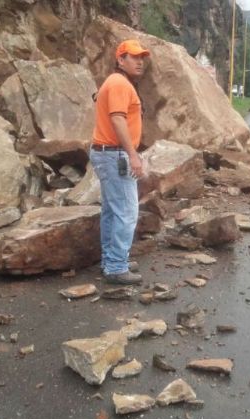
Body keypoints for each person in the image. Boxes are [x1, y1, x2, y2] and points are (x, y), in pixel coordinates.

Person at [90, 39, 150, 285]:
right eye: (134, 57)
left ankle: (112, 259)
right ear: (120, 59)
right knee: (126, 212)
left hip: (106, 152)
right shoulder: (118, 84)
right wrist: (133, 155)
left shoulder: (117, 82)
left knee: (111, 211)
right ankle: (116, 266)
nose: (139, 62)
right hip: (114, 154)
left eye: (141, 58)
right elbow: (117, 120)